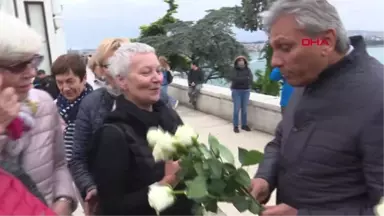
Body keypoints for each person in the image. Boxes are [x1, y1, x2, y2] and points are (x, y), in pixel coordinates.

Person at [250, 0, 384, 216]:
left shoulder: (378, 96)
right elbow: (280, 140)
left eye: (286, 47)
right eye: (273, 48)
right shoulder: (307, 78)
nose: (274, 61)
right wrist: (266, 177)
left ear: (325, 41)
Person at [90, 42, 194, 216]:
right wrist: (168, 182)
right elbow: (112, 208)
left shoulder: (169, 116)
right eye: (146, 72)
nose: (157, 78)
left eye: (158, 71)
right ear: (122, 81)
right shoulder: (112, 135)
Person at [0, 11, 76, 215]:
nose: (32, 72)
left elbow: (60, 163)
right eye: (18, 66)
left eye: (33, 61)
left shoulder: (43, 102)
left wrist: (64, 199)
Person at [69, 38, 129, 216]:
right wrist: (91, 188)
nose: (118, 70)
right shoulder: (92, 103)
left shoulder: (155, 100)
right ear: (101, 69)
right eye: (111, 64)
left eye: (124, 63)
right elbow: (77, 158)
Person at [52, 53, 93, 162]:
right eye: (59, 82)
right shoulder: (52, 108)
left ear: (84, 78)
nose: (65, 88)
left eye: (70, 81)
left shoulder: (97, 107)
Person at [230, 56, 253, 133]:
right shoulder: (234, 70)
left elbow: (250, 79)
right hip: (236, 91)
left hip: (246, 91)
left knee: (244, 110)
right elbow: (234, 79)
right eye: (239, 60)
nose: (241, 61)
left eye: (242, 60)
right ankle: (235, 126)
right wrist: (245, 79)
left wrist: (242, 79)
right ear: (237, 62)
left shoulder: (248, 70)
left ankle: (244, 125)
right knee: (236, 109)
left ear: (245, 62)